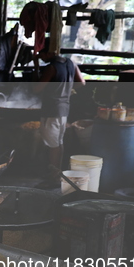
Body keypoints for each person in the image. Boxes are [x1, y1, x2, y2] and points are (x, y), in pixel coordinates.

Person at [32, 41, 85, 187]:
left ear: (48, 53)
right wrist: (67, 90)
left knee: (53, 144)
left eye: (41, 55)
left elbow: (37, 88)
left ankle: (55, 177)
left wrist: (36, 68)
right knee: (58, 142)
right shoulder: (70, 63)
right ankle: (56, 172)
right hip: (64, 109)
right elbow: (82, 83)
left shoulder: (51, 68)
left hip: (51, 110)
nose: (41, 58)